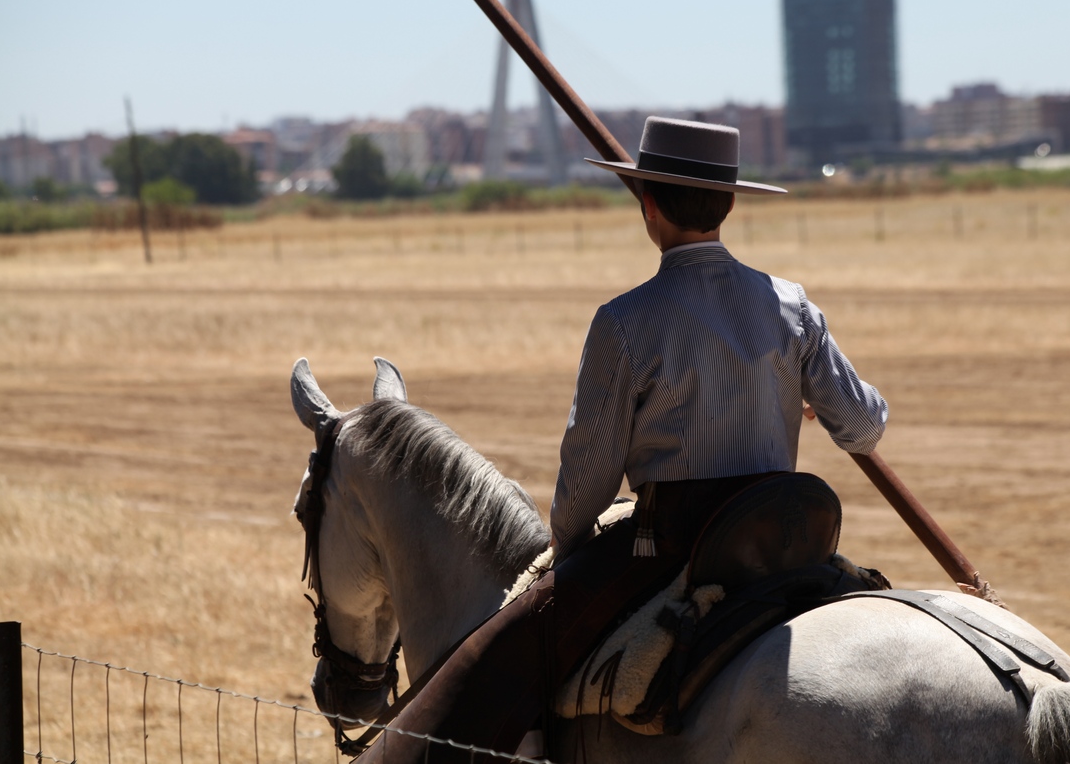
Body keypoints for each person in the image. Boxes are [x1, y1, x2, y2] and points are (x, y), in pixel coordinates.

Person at [374, 117, 887, 763]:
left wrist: (566, 551)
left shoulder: (625, 322)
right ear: (729, 203)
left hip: (671, 551)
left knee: (506, 651)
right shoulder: (792, 305)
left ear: (648, 208)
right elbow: (865, 427)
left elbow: (586, 484)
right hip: (788, 541)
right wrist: (801, 395)